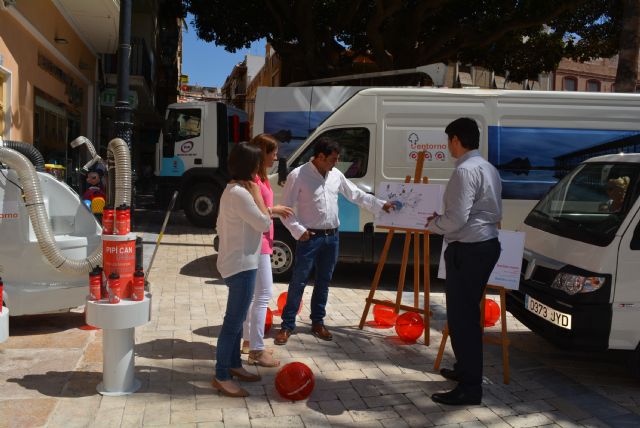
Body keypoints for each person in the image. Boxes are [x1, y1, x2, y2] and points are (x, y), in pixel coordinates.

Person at [275, 137, 394, 345]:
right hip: (309, 237)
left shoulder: (335, 175)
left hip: (332, 237)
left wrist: (380, 204)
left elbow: (355, 194)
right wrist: (298, 231)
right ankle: (287, 325)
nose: (336, 163)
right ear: (320, 157)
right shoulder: (298, 175)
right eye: (333, 159)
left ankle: (318, 322)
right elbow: (285, 209)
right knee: (299, 281)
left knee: (324, 281)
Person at [425, 118, 502, 406]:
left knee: (463, 320)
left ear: (456, 139)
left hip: (469, 250)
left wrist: (434, 224)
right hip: (484, 246)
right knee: (467, 315)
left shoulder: (465, 171)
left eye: (448, 141)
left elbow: (456, 218)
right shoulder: (487, 168)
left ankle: (470, 388)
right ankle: (464, 370)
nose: (448, 147)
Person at [213, 142, 272, 398]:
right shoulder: (242, 193)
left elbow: (219, 226)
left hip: (237, 262)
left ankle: (234, 365)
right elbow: (264, 223)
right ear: (250, 166)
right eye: (258, 163)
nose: (261, 168)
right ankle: (222, 374)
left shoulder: (233, 190)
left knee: (237, 322)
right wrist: (258, 196)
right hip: (242, 265)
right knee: (233, 322)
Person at [241, 134, 293, 367]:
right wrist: (275, 210)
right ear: (263, 153)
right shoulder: (252, 179)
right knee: (263, 295)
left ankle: (248, 341)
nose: (276, 156)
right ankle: (256, 350)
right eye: (273, 152)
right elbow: (256, 210)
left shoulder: (260, 177)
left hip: (263, 240)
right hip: (258, 241)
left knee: (254, 296)